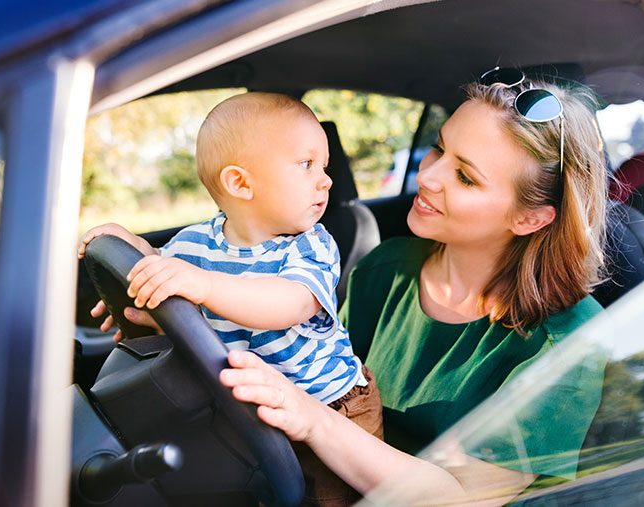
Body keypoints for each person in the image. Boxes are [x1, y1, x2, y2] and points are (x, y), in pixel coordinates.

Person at [216, 72, 610, 505]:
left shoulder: (568, 344)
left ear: (529, 219)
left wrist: (313, 421)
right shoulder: (386, 269)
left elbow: (458, 500)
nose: (428, 175)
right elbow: (320, 378)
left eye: (465, 177)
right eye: (440, 148)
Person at [78, 92, 383, 505]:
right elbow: (161, 269)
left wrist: (203, 286)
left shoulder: (310, 246)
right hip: (255, 411)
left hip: (333, 407)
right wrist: (129, 250)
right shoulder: (196, 244)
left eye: (324, 166)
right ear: (240, 182)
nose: (325, 179)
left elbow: (287, 304)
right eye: (307, 164)